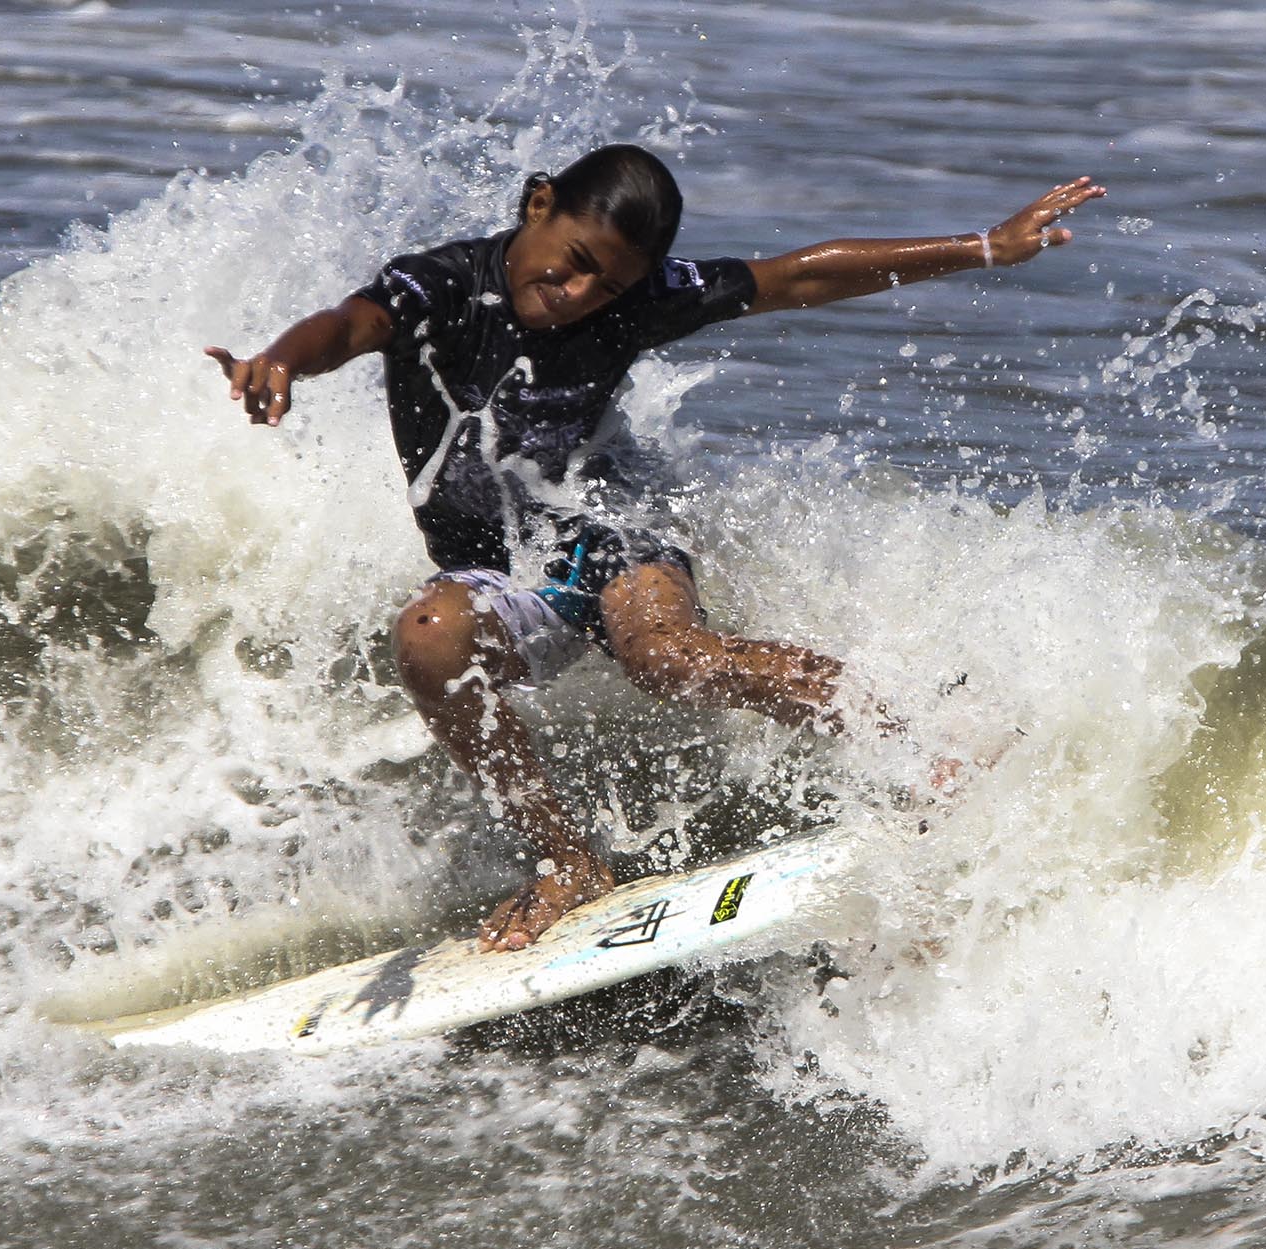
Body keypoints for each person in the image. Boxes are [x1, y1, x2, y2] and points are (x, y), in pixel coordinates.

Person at [205, 144, 1103, 953]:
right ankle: (568, 863)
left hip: (612, 520)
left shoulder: (633, 301)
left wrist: (985, 244)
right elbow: (347, 324)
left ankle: (928, 737)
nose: (582, 294)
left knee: (665, 656)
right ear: (538, 205)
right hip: (497, 563)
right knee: (428, 636)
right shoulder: (439, 287)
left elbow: (795, 277)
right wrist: (282, 359)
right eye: (578, 263)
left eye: (611, 285)